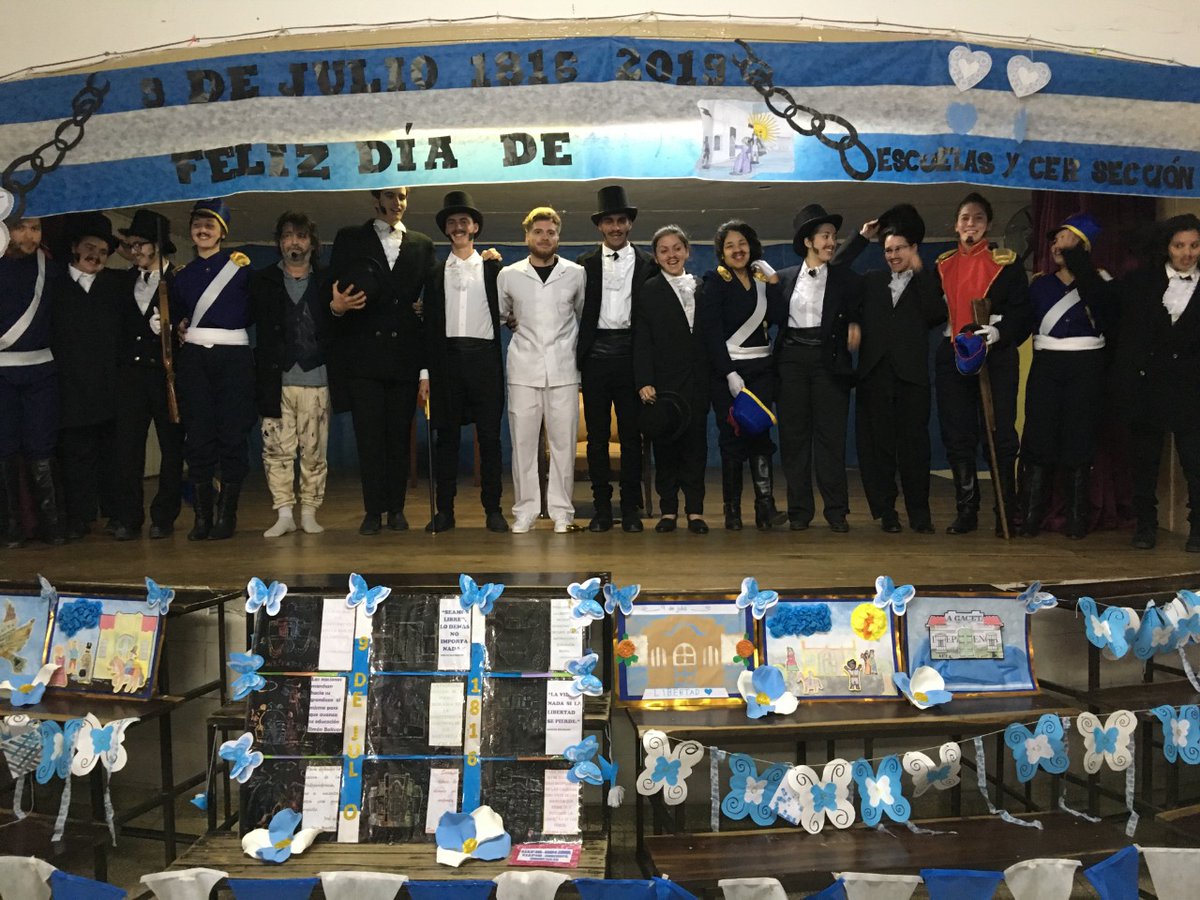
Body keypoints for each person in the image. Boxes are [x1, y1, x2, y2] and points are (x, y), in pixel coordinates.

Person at [323, 187, 433, 536]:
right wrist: (337, 307)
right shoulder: (350, 238)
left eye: (402, 196)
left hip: (404, 357)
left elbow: (433, 296)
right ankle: (373, 510)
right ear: (376, 199)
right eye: (390, 196)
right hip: (364, 357)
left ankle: (396, 509)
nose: (397, 203)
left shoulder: (422, 244)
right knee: (369, 438)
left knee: (398, 438)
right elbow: (332, 290)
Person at [833, 204, 946, 533]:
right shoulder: (872, 280)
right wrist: (861, 238)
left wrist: (920, 271)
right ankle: (886, 512)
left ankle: (919, 513)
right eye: (888, 250)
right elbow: (836, 270)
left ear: (914, 248)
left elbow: (936, 314)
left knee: (915, 449)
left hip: (912, 378)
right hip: (874, 376)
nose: (893, 255)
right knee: (877, 449)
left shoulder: (929, 280)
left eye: (899, 248)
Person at [934, 192, 1031, 537]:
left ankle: (1006, 511)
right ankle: (967, 510)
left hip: (996, 356)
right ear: (956, 225)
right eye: (965, 218)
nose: (970, 224)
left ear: (988, 225)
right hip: (954, 356)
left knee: (1000, 433)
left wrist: (1000, 332)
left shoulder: (1007, 262)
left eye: (977, 218)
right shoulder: (942, 265)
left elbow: (1024, 311)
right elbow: (930, 309)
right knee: (958, 435)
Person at [1019, 213, 1113, 540]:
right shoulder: (1040, 284)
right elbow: (1023, 322)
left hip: (1087, 367)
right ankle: (1030, 516)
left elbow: (1107, 315)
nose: (1057, 246)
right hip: (1047, 365)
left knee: (1079, 439)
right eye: (1056, 240)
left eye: (1066, 239)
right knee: (1039, 438)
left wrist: (1080, 265)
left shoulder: (1099, 282)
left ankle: (1076, 519)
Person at [769, 204, 861, 532]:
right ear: (808, 241)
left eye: (834, 236)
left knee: (830, 438)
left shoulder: (844, 278)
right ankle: (799, 511)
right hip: (791, 360)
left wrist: (855, 324)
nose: (831, 242)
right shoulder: (784, 278)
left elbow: (858, 307)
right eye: (825, 236)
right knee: (794, 439)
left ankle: (836, 511)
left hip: (828, 361)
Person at [1113, 213, 1200, 551]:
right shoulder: (1141, 281)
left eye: (1194, 245)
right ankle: (1145, 526)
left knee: (1195, 462)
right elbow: (1126, 332)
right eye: (1179, 245)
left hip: (1192, 386)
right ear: (1167, 247)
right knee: (1144, 462)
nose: (1187, 253)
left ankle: (1198, 530)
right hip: (1148, 385)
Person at [423, 190, 508, 533]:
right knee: (446, 440)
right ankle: (445, 511)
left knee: (489, 439)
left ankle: (493, 510)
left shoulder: (494, 268)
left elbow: (510, 309)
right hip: (446, 361)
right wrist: (425, 374)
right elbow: (428, 327)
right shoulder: (434, 273)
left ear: (475, 227)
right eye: (452, 222)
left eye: (464, 221)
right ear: (446, 230)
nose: (458, 227)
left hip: (484, 360)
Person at [497, 207, 586, 534]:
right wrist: (510, 320)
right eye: (538, 232)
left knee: (564, 446)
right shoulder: (509, 274)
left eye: (550, 232)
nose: (544, 237)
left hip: (564, 370)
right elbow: (501, 313)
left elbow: (583, 314)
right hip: (523, 369)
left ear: (558, 236)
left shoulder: (576, 273)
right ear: (527, 236)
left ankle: (562, 513)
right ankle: (526, 511)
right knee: (523, 445)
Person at [173, 198, 256, 541]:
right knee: (198, 436)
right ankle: (202, 517)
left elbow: (255, 309)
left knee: (232, 435)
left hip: (234, 358)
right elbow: (178, 315)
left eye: (210, 225)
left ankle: (226, 515)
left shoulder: (242, 269)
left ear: (222, 232)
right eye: (197, 225)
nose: (202, 230)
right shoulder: (182, 276)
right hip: (194, 359)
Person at [576, 185, 654, 533]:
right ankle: (602, 508)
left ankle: (631, 509)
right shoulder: (583, 264)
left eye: (621, 221)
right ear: (599, 226)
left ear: (630, 224)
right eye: (609, 222)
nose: (616, 227)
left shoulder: (649, 264)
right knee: (596, 438)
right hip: (595, 356)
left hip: (633, 355)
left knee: (633, 437)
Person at [701, 220, 786, 530]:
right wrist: (728, 372)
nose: (737, 250)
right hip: (728, 371)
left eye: (742, 244)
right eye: (730, 246)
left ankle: (765, 508)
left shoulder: (762, 280)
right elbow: (710, 333)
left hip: (762, 370)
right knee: (732, 437)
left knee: (760, 435)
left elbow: (779, 317)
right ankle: (732, 511)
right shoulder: (715, 281)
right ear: (722, 252)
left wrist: (774, 283)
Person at [251, 211, 330, 538]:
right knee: (276, 450)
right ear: (279, 242)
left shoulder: (328, 280)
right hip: (275, 379)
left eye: (300, 235)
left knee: (314, 452)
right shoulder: (262, 281)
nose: (293, 242)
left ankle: (309, 511)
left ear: (312, 242)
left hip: (317, 379)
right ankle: (284, 513)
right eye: (287, 236)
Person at [111, 209, 184, 541]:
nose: (134, 250)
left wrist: (171, 329)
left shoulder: (178, 281)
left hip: (166, 376)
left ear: (157, 245)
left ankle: (164, 516)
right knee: (127, 450)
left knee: (172, 448)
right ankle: (128, 517)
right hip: (130, 378)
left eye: (140, 243)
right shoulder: (123, 281)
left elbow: (189, 326)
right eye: (132, 244)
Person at [50, 212, 123, 541]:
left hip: (108, 387)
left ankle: (114, 514)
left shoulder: (116, 286)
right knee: (75, 456)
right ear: (74, 247)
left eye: (103, 251)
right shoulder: (54, 285)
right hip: (69, 387)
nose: (96, 256)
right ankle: (79, 517)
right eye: (90, 247)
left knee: (112, 455)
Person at [634, 225, 711, 534]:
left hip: (698, 381)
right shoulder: (649, 290)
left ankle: (695, 511)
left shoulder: (701, 286)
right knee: (665, 448)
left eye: (677, 248)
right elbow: (642, 339)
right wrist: (644, 380)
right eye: (664, 250)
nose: (671, 255)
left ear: (687, 251)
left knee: (696, 447)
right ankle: (668, 511)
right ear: (656, 257)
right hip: (664, 383)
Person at [0, 216, 66, 546]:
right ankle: (11, 527)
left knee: (42, 448)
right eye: (21, 227)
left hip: (41, 371)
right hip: (2, 373)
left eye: (35, 228)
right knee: (4, 448)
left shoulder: (49, 268)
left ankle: (53, 525)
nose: (29, 235)